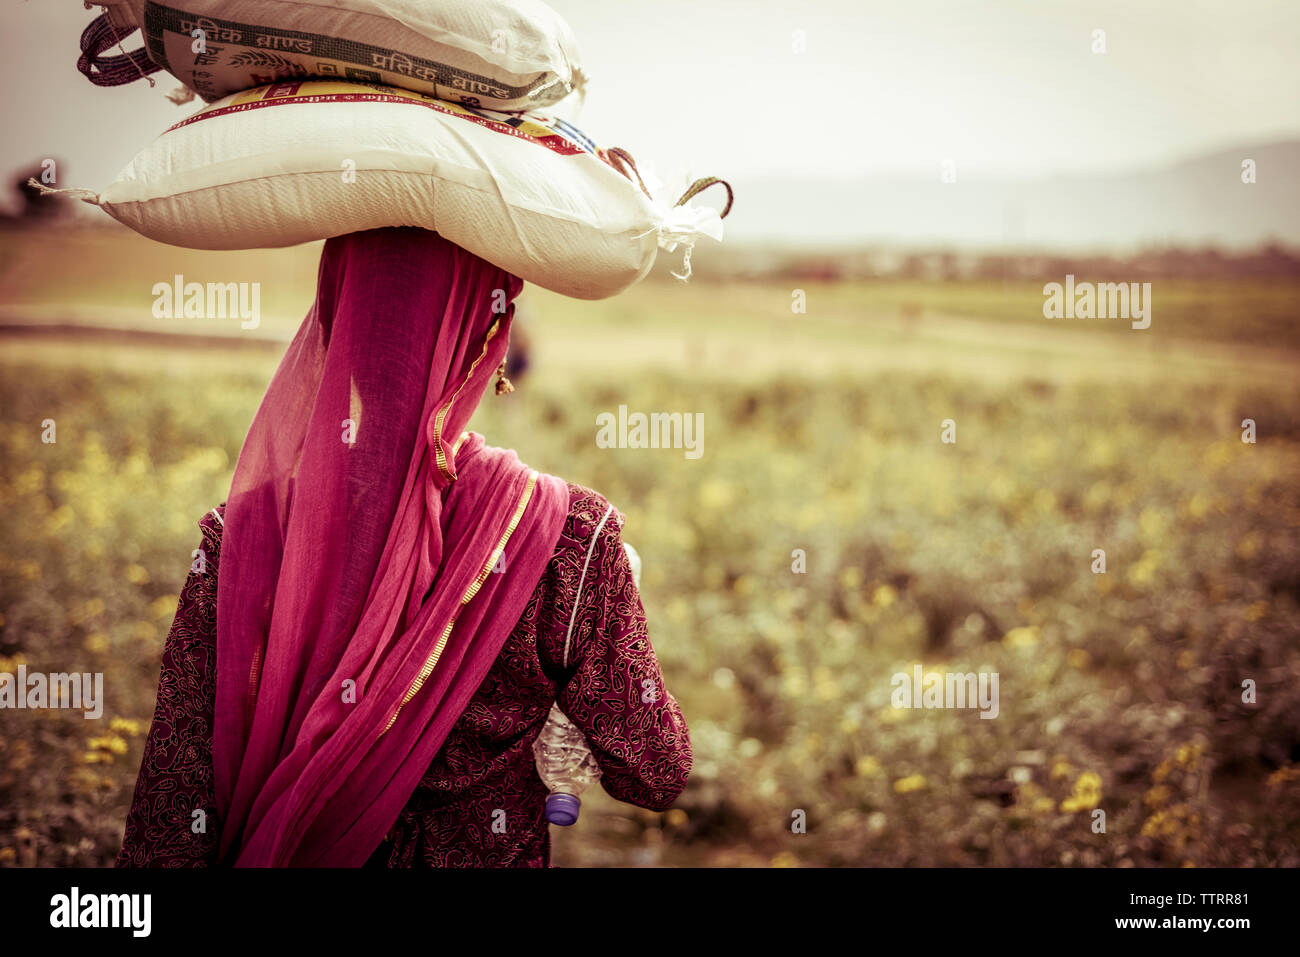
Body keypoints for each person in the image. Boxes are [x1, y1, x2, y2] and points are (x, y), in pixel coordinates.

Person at [116, 227, 691, 867]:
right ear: (489, 343)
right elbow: (655, 771)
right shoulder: (568, 538)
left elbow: (173, 808)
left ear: (336, 326)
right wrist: (574, 709)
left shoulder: (240, 539)